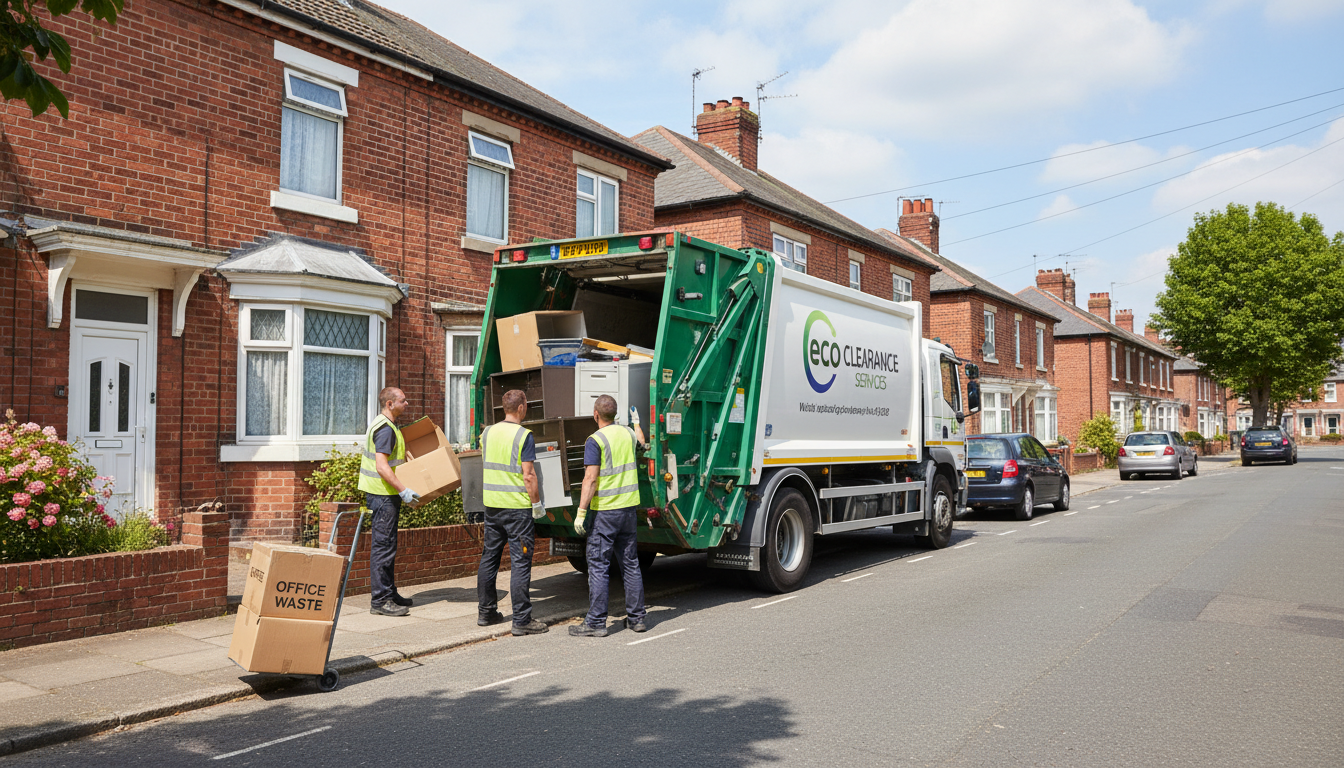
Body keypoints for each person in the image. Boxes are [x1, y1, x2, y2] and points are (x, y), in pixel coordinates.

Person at [570, 396, 649, 637]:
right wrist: (636, 422)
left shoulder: (595, 440)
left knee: (598, 565)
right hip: (628, 510)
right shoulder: (626, 433)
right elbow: (642, 442)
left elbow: (590, 478)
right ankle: (637, 619)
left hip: (605, 512)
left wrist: (581, 512)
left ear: (595, 415)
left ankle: (595, 622)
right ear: (615, 415)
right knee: (630, 564)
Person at [477, 389, 549, 636]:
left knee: (489, 558)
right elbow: (528, 475)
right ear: (521, 408)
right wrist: (537, 504)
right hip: (517, 508)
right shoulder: (524, 435)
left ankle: (486, 613)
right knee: (520, 561)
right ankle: (521, 620)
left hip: (492, 505)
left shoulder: (487, 433)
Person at [358, 387, 421, 617]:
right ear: (390, 404)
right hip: (382, 495)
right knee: (383, 548)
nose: (407, 404)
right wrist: (403, 490)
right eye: (403, 401)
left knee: (388, 547)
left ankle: (389, 592)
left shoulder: (387, 424)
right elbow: (382, 466)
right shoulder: (385, 429)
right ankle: (381, 600)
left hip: (383, 495)